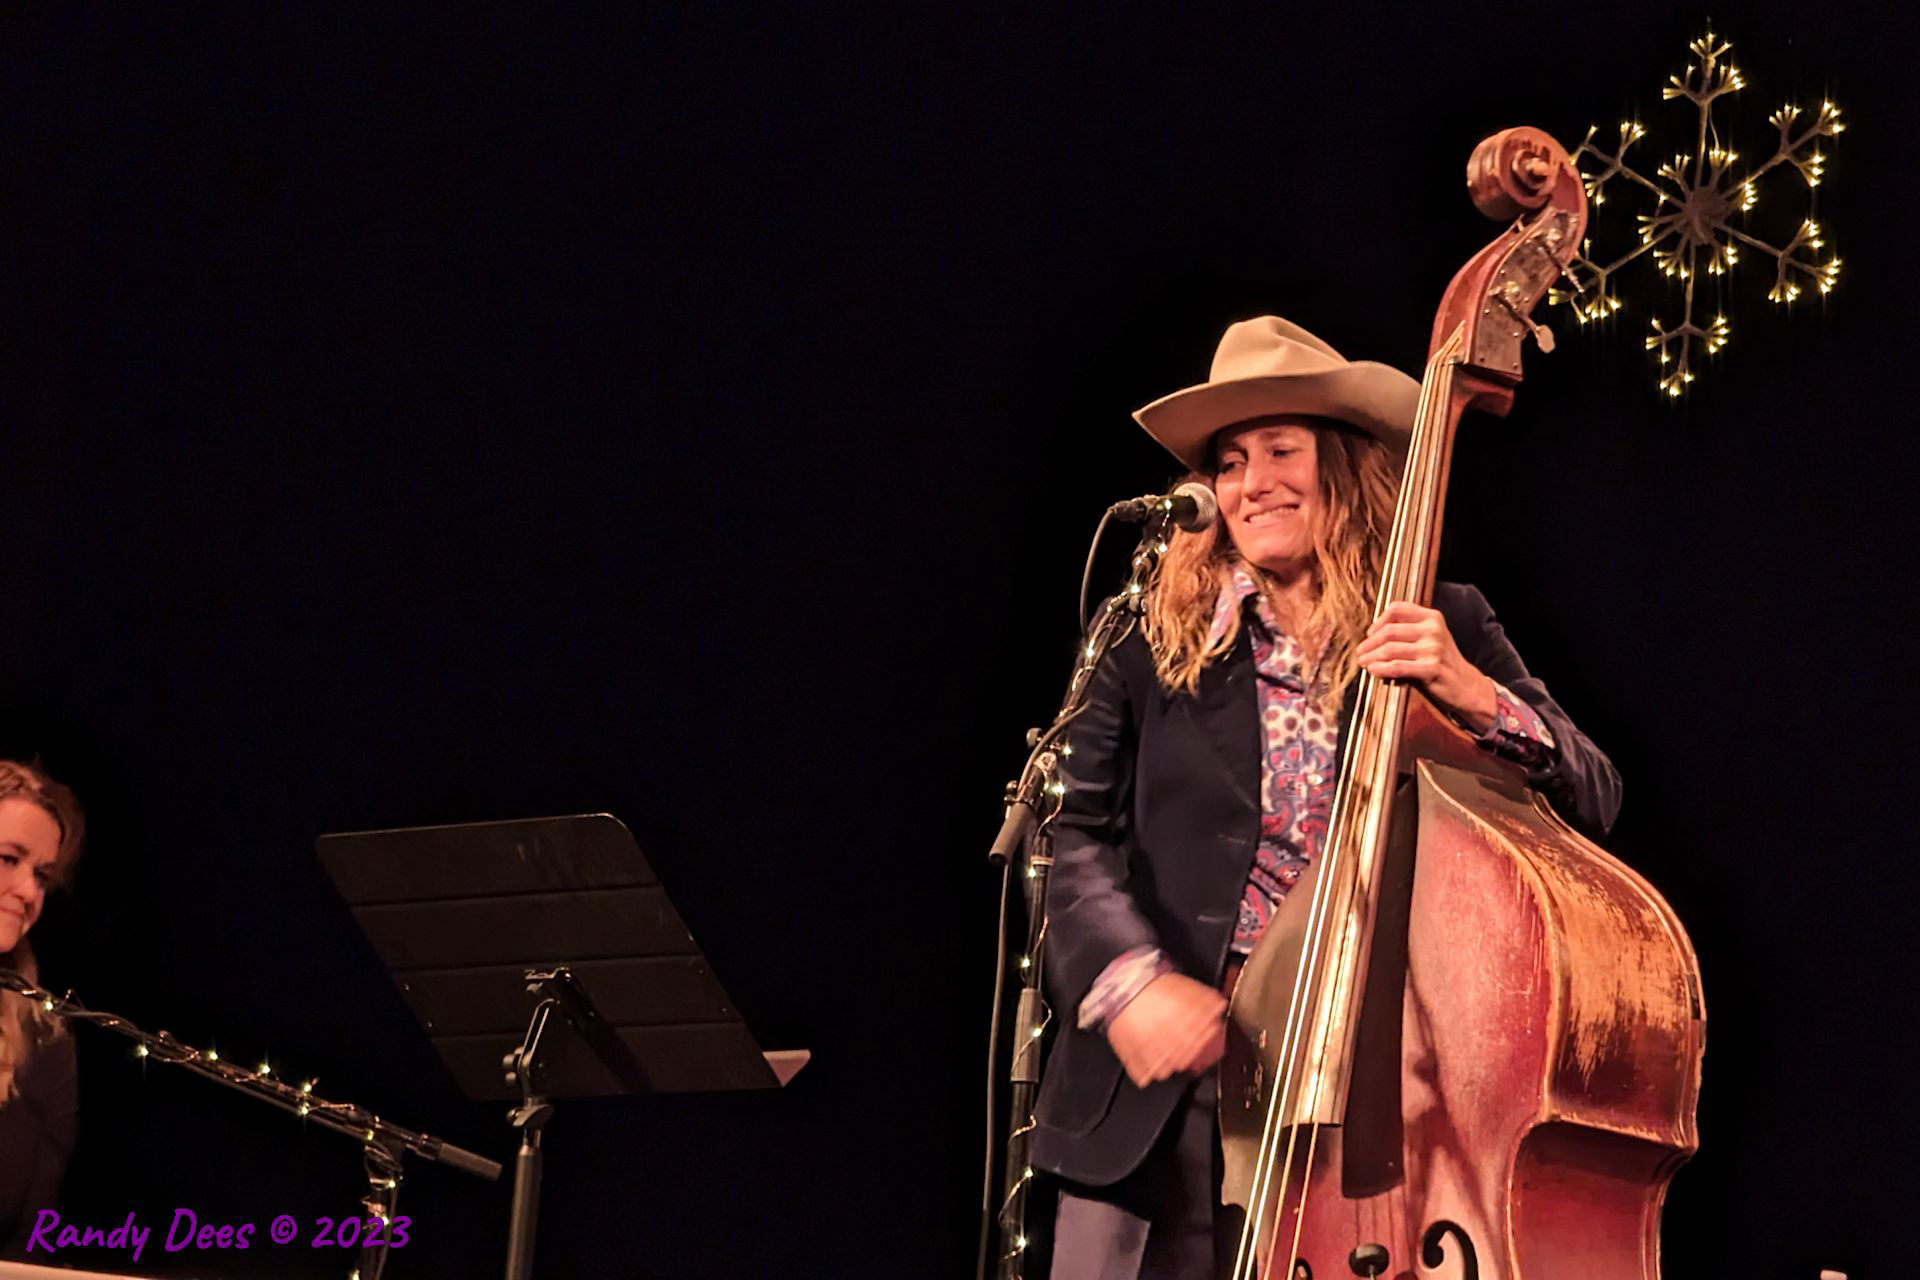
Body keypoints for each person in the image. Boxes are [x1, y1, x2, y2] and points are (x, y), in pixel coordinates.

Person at [1028, 316, 1621, 1278]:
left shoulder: (1443, 616)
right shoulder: (1147, 636)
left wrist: (1473, 692)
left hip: (1364, 1083)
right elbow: (1071, 838)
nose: (1251, 481)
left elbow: (1594, 793)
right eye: (1229, 461)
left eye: (1278, 450)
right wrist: (1132, 987)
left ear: (1340, 467)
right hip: (1162, 1085)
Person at [0, 760, 84, 1255]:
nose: (30, 892)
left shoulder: (43, 1037)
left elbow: (28, 1239)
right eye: (8, 858)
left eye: (43, 876)